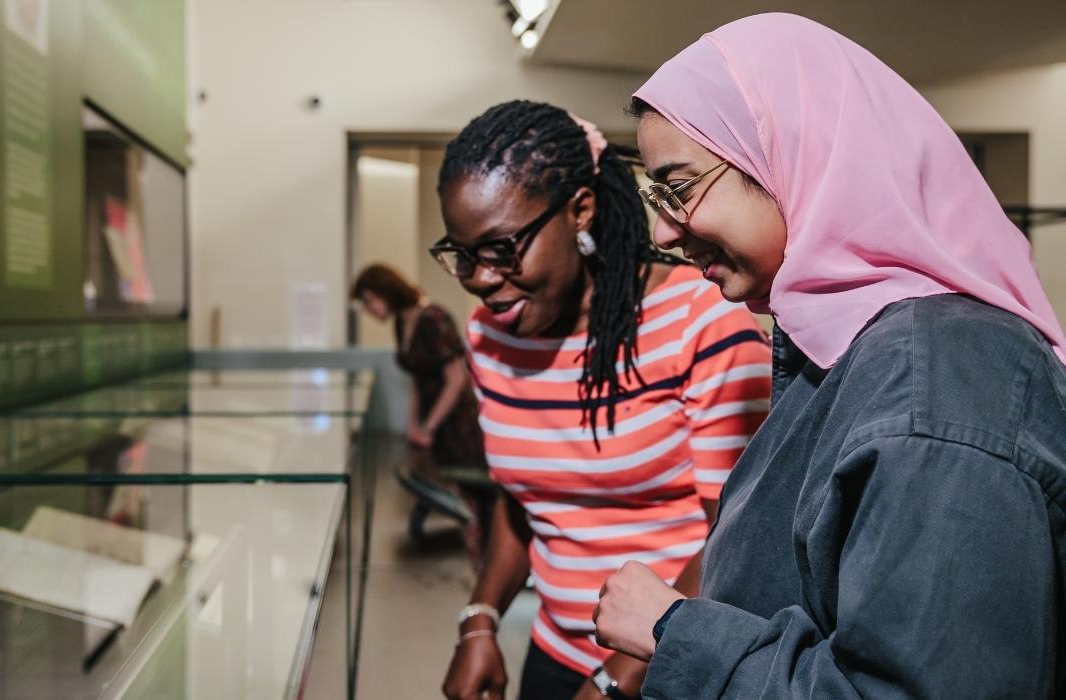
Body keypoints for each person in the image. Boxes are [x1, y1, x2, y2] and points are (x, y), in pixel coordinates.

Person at [591, 13, 1066, 699]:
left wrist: (674, 631)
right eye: (656, 196)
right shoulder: (855, 347)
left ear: (794, 155)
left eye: (682, 187)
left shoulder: (940, 384)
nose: (664, 229)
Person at [434, 100, 772, 699]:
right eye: (464, 256)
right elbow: (527, 503)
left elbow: (737, 537)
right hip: (554, 653)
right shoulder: (489, 338)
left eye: (502, 249)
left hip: (666, 665)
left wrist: (617, 681)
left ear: (579, 211)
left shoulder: (700, 320)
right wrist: (479, 620)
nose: (482, 279)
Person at [352, 264, 492, 564]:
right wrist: (413, 424)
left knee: (470, 498)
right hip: (435, 423)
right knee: (445, 491)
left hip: (458, 424)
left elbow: (456, 379)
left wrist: (429, 426)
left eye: (368, 300)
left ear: (385, 291)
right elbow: (417, 379)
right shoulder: (402, 323)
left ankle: (483, 567)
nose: (369, 309)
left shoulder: (434, 317)